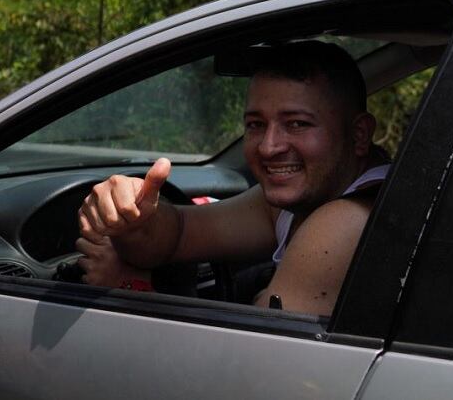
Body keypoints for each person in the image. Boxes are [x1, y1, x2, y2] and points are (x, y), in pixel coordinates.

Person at [77, 40, 390, 316]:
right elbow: (180, 233)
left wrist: (128, 288)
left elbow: (251, 363)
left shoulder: (345, 222)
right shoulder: (308, 197)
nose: (269, 146)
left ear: (359, 134)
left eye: (296, 124)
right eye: (256, 124)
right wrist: (133, 219)